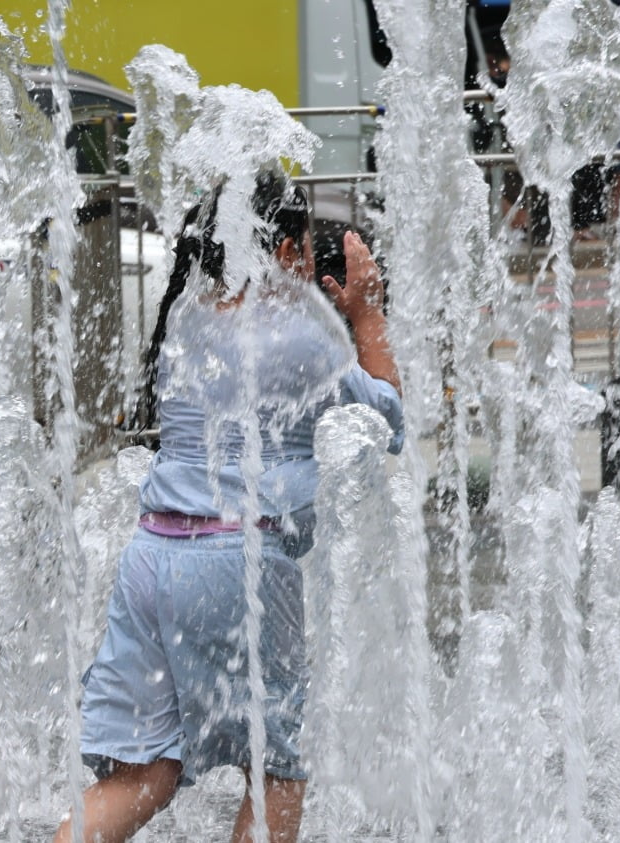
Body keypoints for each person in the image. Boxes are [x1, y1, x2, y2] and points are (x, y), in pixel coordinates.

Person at [53, 170, 404, 843]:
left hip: (151, 558)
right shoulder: (303, 335)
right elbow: (390, 418)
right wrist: (364, 314)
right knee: (277, 774)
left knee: (143, 774)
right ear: (281, 250)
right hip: (235, 565)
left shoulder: (184, 319)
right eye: (302, 247)